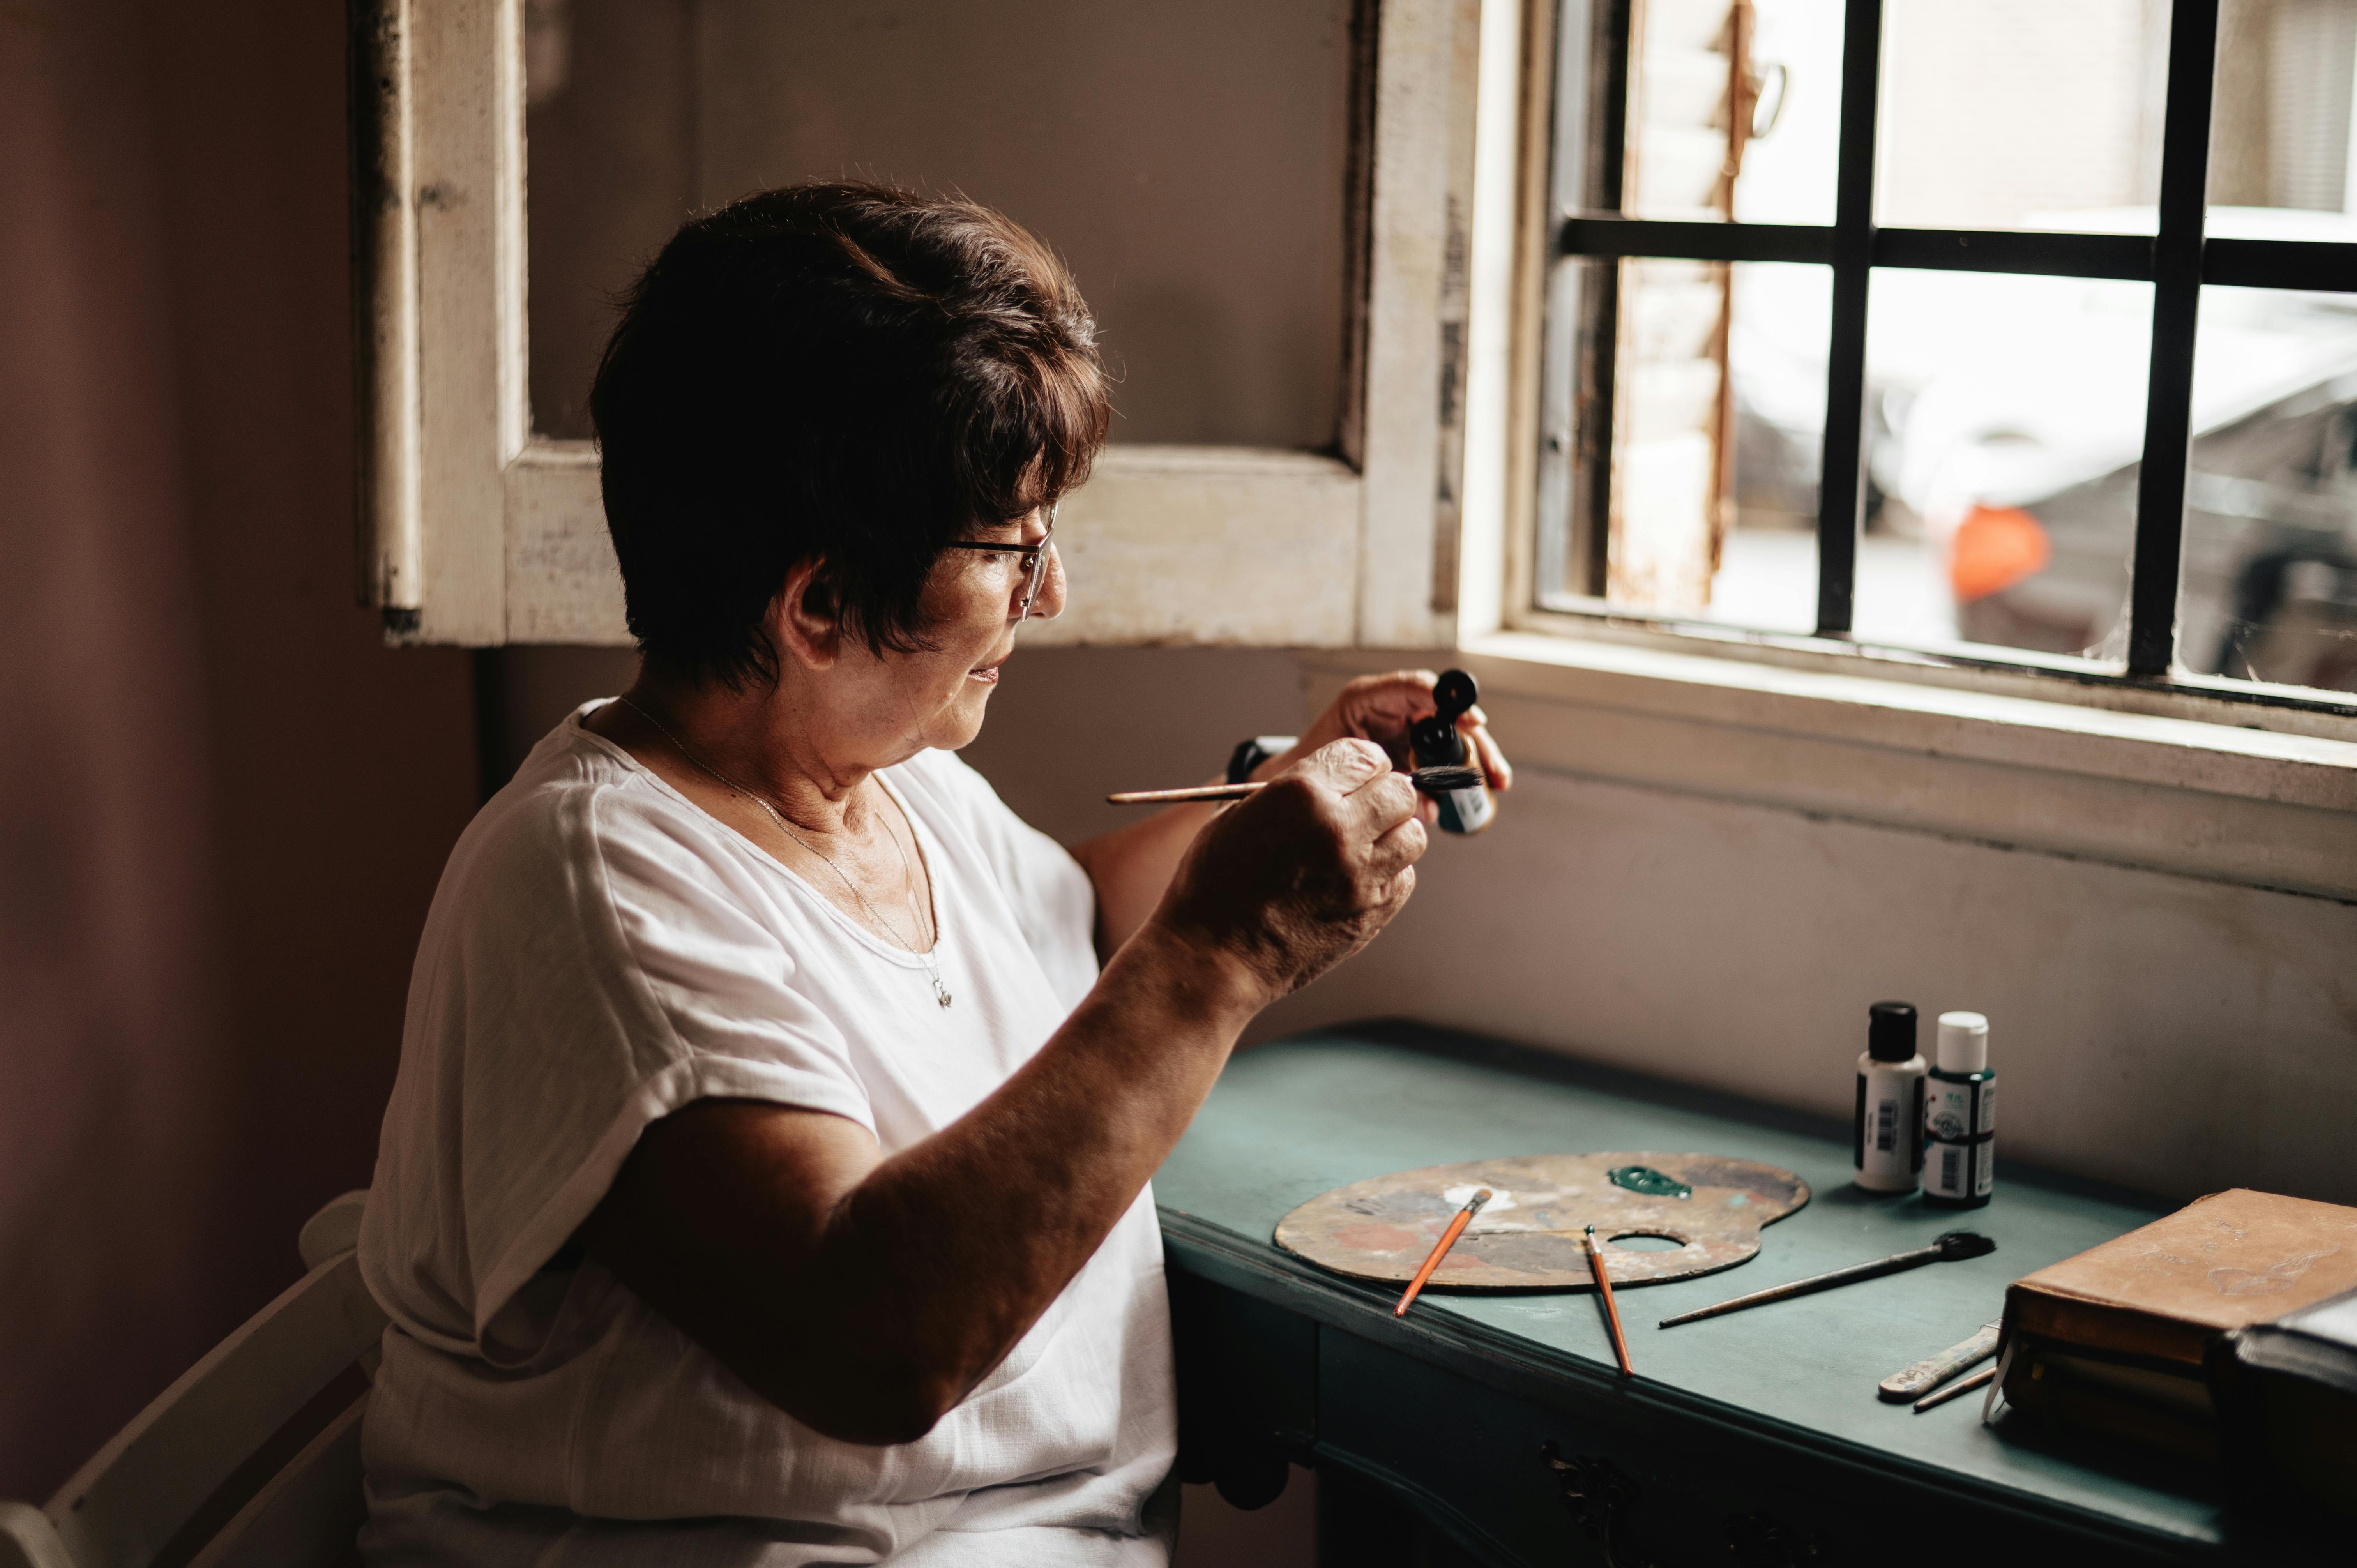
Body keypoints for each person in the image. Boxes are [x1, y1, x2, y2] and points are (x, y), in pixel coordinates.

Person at [356, 182, 1511, 1567]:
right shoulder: (596, 885)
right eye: (1014, 546)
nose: (1052, 592)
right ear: (822, 602)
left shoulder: (891, 783)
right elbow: (871, 1347)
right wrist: (1225, 956)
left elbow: (1064, 925)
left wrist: (1289, 800)